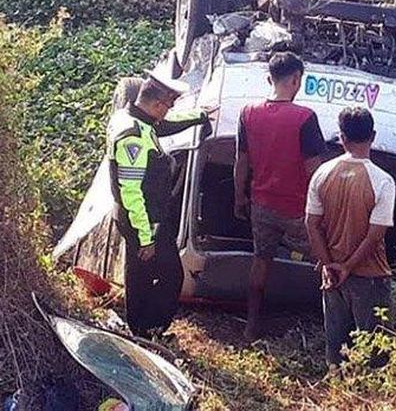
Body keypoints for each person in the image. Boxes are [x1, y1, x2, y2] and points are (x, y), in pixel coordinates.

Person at [108, 69, 213, 337]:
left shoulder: (132, 117)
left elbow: (163, 125)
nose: (168, 111)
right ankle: (150, 329)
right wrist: (146, 238)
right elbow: (131, 191)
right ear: (156, 104)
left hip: (139, 218)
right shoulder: (132, 137)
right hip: (141, 220)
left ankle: (141, 329)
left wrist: (199, 116)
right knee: (170, 276)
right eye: (168, 105)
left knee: (140, 276)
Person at [234, 51, 326, 341]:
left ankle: (251, 325)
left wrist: (240, 197)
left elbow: (241, 160)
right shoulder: (305, 118)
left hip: (262, 204)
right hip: (297, 209)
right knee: (325, 258)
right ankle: (328, 324)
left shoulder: (247, 112)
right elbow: (314, 170)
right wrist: (326, 209)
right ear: (297, 80)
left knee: (261, 260)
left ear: (268, 79)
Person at [306, 107, 396, 367]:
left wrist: (328, 265)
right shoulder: (382, 181)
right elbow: (375, 235)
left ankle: (336, 387)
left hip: (332, 275)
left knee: (336, 345)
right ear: (373, 136)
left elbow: (312, 225)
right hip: (369, 276)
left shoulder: (322, 174)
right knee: (376, 350)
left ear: (342, 137)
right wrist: (348, 267)